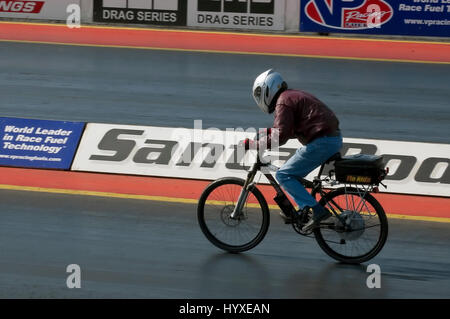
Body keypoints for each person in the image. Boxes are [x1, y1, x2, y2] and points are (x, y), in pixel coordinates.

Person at [243, 69, 343, 232]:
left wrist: (255, 145)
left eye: (260, 92)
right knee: (292, 175)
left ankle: (316, 211)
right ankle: (307, 209)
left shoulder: (283, 102)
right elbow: (284, 129)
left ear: (268, 88)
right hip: (331, 139)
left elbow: (281, 135)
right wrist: (264, 134)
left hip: (322, 141)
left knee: (283, 175)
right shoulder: (289, 96)